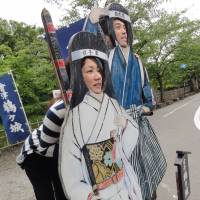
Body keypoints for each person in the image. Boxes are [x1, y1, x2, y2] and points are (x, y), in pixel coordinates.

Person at [84, 3, 167, 200]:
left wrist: (140, 110)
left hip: (137, 128)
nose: (123, 32)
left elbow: (150, 100)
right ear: (110, 30)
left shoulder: (138, 61)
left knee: (145, 178)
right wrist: (93, 19)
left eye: (125, 27)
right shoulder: (105, 60)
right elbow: (87, 48)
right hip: (109, 133)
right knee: (114, 188)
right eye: (118, 26)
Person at [59, 31, 142, 200]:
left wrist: (125, 125)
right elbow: (70, 168)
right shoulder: (74, 118)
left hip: (122, 184)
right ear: (80, 75)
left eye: (99, 70)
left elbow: (128, 144)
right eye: (90, 71)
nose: (97, 76)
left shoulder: (112, 104)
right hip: (99, 192)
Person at [16, 93, 68, 200]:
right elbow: (45, 147)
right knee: (44, 192)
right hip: (34, 153)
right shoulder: (59, 111)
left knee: (62, 188)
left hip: (55, 151)